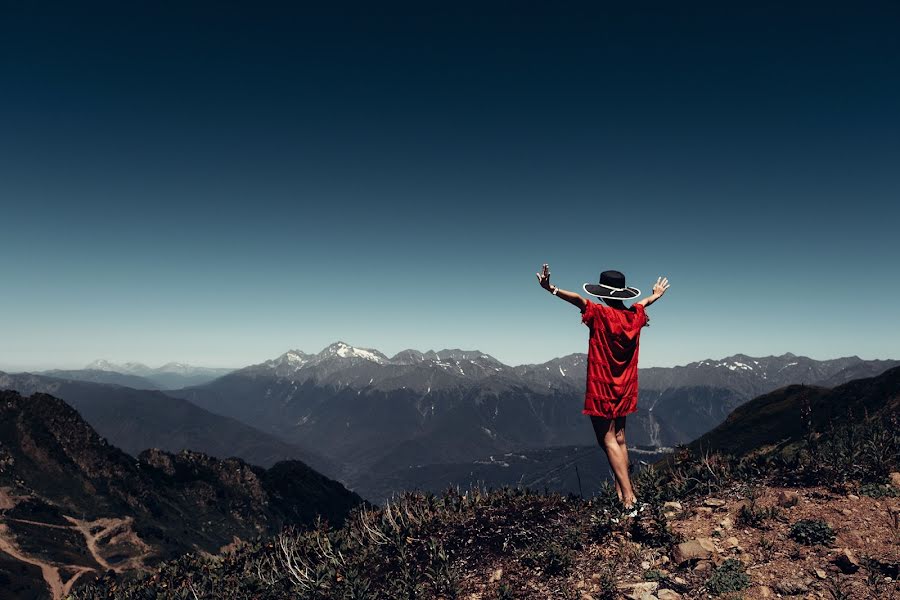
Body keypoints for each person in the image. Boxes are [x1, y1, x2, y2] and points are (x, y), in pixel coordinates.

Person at [536, 263, 669, 514]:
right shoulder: (634, 316)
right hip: (626, 385)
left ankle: (630, 501)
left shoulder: (599, 314)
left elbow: (578, 300)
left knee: (607, 440)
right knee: (620, 438)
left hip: (602, 386)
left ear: (601, 293)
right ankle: (624, 495)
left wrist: (550, 289)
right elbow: (644, 304)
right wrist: (656, 294)